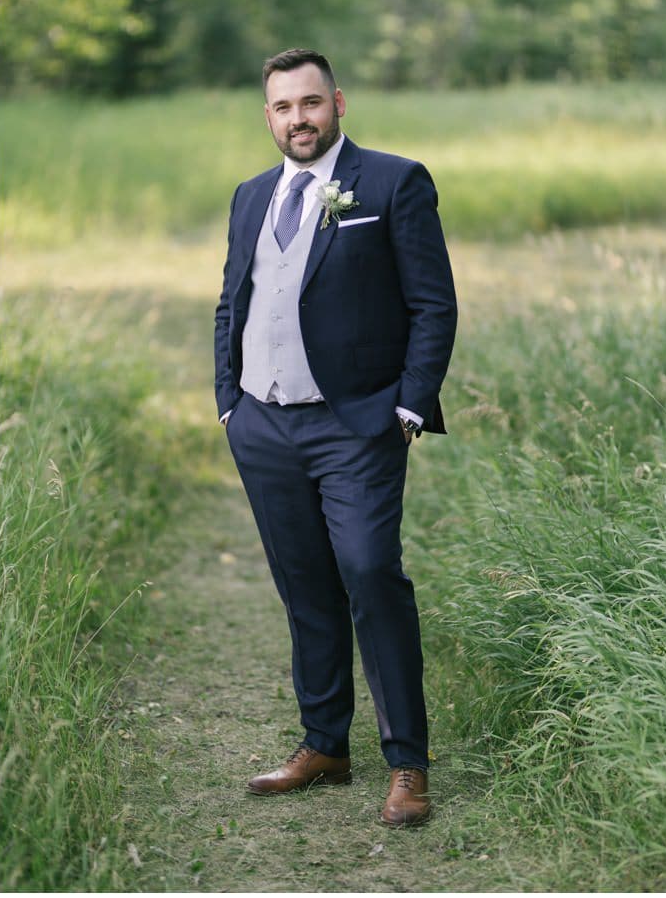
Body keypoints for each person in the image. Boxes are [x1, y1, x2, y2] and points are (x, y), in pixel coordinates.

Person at [212, 48, 456, 827]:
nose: (299, 119)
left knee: (369, 571)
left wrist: (409, 405)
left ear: (338, 103)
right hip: (263, 423)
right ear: (268, 116)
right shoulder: (251, 196)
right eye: (284, 108)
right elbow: (232, 301)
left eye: (311, 103)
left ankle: (407, 764)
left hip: (357, 423)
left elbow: (433, 304)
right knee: (304, 587)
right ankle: (324, 744)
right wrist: (229, 403)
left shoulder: (392, 182)